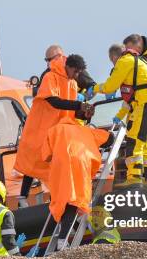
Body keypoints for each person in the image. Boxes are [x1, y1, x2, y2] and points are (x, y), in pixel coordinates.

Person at [15, 53, 94, 207]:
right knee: (33, 159)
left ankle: (57, 199)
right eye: (76, 72)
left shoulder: (72, 83)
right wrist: (79, 105)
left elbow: (69, 110)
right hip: (40, 126)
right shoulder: (50, 77)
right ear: (69, 67)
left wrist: (85, 114)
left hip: (58, 130)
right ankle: (22, 198)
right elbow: (54, 101)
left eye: (79, 73)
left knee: (57, 163)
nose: (77, 76)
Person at [87, 34, 147, 185]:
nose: (114, 65)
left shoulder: (125, 61)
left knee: (134, 141)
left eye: (112, 62)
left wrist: (94, 88)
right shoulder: (141, 60)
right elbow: (130, 97)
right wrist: (120, 114)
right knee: (146, 143)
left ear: (115, 57)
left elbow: (110, 87)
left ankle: (134, 181)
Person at [42, 116, 112, 250]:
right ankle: (63, 240)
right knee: (74, 201)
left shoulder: (54, 130)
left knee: (61, 199)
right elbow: (109, 139)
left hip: (59, 170)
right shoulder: (86, 130)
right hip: (79, 167)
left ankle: (66, 230)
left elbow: (46, 156)